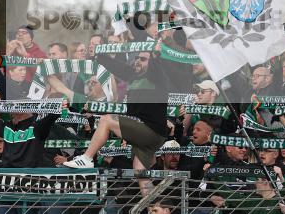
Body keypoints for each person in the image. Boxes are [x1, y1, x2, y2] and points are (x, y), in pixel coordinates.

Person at [64, 30, 191, 172]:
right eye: (136, 58)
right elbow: (117, 66)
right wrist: (98, 55)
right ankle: (153, 188)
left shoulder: (157, 79)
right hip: (147, 133)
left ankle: (87, 158)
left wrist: (156, 55)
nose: (138, 61)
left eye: (143, 59)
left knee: (106, 120)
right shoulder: (133, 75)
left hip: (151, 131)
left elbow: (157, 69)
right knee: (139, 172)